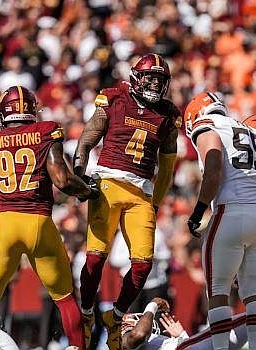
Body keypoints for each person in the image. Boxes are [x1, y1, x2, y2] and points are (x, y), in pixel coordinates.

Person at [0, 85, 98, 350]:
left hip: (4, 225)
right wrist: (87, 191)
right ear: (31, 110)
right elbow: (62, 180)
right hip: (38, 223)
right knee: (65, 300)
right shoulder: (44, 132)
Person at [73, 53, 180, 349]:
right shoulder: (115, 98)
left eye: (160, 79)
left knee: (143, 265)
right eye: (150, 77)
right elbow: (86, 139)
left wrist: (155, 202)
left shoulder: (168, 115)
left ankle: (116, 315)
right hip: (107, 184)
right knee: (94, 259)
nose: (155, 83)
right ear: (136, 77)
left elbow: (168, 166)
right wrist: (80, 173)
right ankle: (86, 313)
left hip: (141, 193)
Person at [184, 93, 256, 350]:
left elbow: (213, 171)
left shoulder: (207, 125)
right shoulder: (249, 130)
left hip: (230, 211)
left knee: (218, 290)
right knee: (253, 291)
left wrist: (198, 211)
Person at [119, 297, 256, 350]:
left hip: (187, 346)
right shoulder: (124, 338)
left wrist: (182, 336)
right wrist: (152, 305)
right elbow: (138, 335)